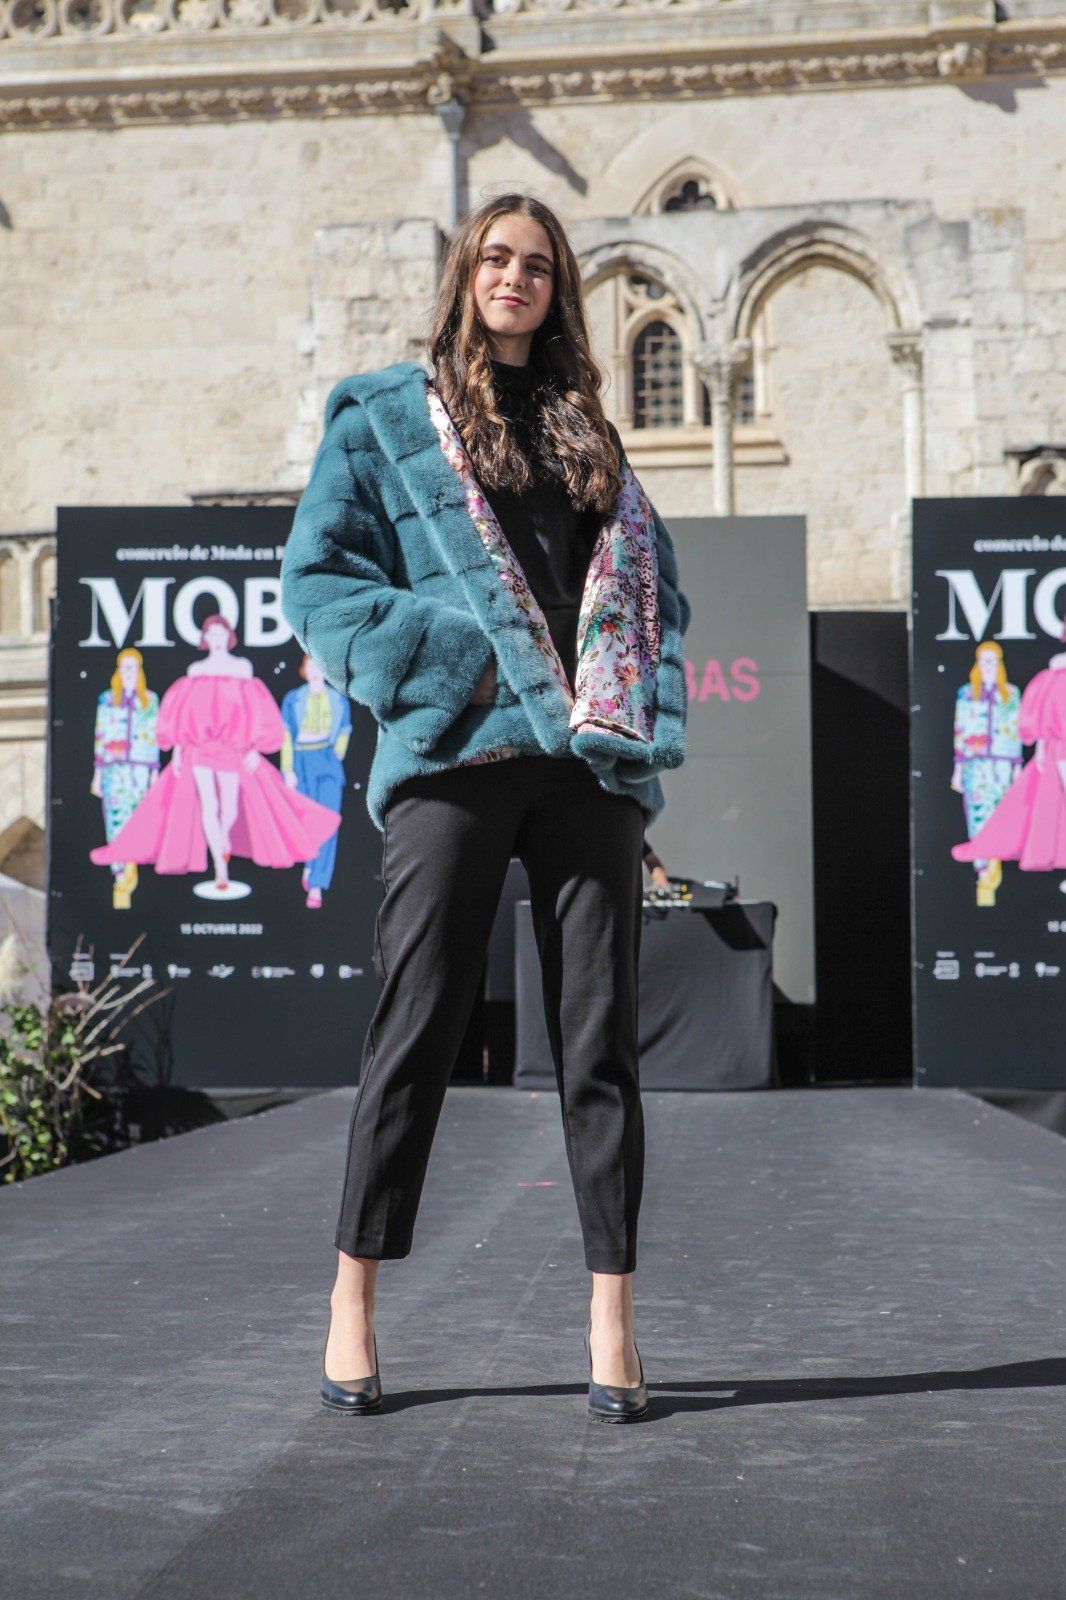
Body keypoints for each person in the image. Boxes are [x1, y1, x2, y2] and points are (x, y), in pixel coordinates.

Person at [280, 191, 691, 1422]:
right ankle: (353, 1294)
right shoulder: (382, 416)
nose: (514, 278)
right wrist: (452, 663)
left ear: (560, 291)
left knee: (600, 1044)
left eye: (538, 265)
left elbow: (652, 590)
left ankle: (611, 1318)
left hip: (585, 765)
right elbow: (320, 582)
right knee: (416, 1024)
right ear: (466, 273)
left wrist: (632, 698)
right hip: (455, 754)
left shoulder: (586, 430)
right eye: (496, 258)